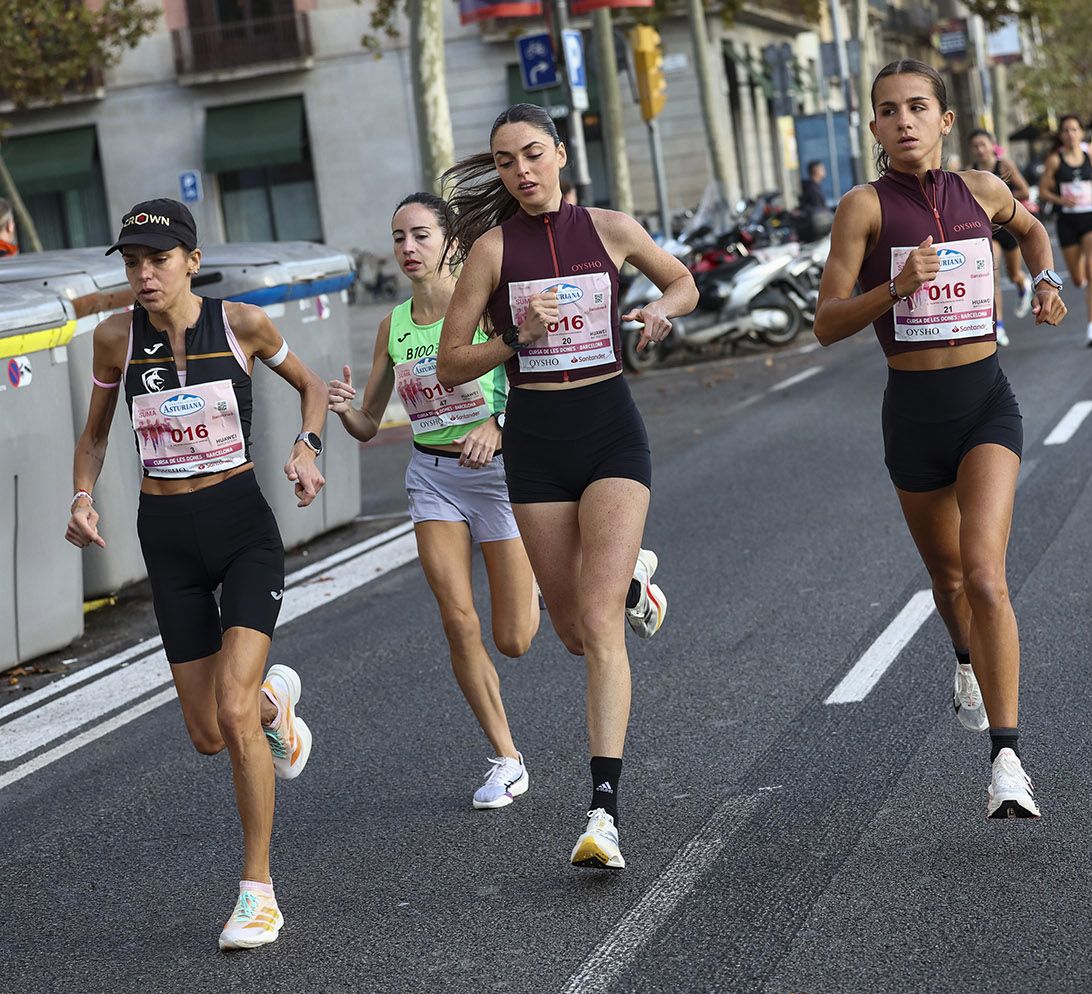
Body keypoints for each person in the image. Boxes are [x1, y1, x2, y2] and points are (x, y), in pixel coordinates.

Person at [435, 103, 697, 869]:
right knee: (573, 632)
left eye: (533, 154)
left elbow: (682, 284)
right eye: (506, 160)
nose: (521, 171)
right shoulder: (490, 249)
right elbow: (450, 361)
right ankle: (634, 586)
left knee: (599, 627)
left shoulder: (610, 230)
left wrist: (659, 310)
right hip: (539, 445)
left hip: (610, 429)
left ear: (559, 156)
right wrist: (516, 337)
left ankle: (603, 813)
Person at [64, 199, 328, 950]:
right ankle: (279, 706)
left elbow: (310, 386)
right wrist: (82, 498)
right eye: (131, 263)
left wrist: (308, 446)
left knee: (233, 708)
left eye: (156, 260)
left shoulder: (242, 324)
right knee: (211, 732)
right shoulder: (114, 338)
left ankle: (258, 894)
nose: (142, 275)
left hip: (242, 528)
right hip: (167, 539)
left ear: (190, 258)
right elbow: (92, 439)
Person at [813, 59, 1067, 820]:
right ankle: (964, 658)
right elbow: (826, 323)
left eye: (918, 107)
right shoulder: (863, 208)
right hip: (913, 418)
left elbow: (1032, 231)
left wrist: (1045, 283)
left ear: (946, 121)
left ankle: (1008, 760)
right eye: (888, 111)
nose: (905, 121)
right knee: (949, 581)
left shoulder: (984, 190)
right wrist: (894, 288)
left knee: (987, 576)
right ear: (874, 128)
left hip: (987, 405)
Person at [326, 192, 541, 809]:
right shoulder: (393, 325)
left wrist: (497, 422)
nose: (407, 249)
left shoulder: (485, 309)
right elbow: (371, 424)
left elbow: (534, 379)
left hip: (498, 477)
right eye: (398, 238)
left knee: (515, 640)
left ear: (450, 242)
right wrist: (347, 412)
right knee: (456, 620)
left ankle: (553, 577)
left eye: (420, 235)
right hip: (433, 478)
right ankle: (506, 758)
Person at [1038, 115, 1092, 347]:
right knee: (1078, 277)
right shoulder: (1055, 160)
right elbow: (1042, 191)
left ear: (1081, 133)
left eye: (1074, 129)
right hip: (1067, 223)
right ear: (1061, 135)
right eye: (1066, 130)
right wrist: (1061, 200)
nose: (1071, 134)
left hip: (1090, 219)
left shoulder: (1090, 153)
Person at [967, 128, 1033, 344]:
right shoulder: (971, 173)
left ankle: (1023, 285)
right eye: (975, 146)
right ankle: (1000, 327)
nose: (979, 149)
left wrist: (999, 200)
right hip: (988, 231)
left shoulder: (1004, 166)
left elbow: (1025, 191)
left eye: (983, 145)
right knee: (991, 276)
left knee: (1013, 274)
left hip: (1009, 227)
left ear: (991, 145)